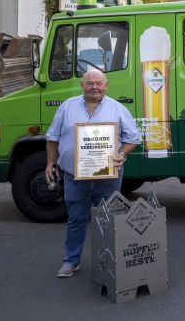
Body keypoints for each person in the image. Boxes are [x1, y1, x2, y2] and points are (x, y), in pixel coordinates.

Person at [45, 69, 139, 278]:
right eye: (90, 83)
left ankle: (107, 262)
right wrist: (50, 163)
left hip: (108, 177)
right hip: (74, 176)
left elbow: (133, 138)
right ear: (82, 85)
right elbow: (52, 137)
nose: (94, 87)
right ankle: (71, 261)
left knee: (108, 219)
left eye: (98, 83)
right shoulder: (67, 107)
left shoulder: (118, 109)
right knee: (76, 219)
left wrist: (122, 153)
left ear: (106, 85)